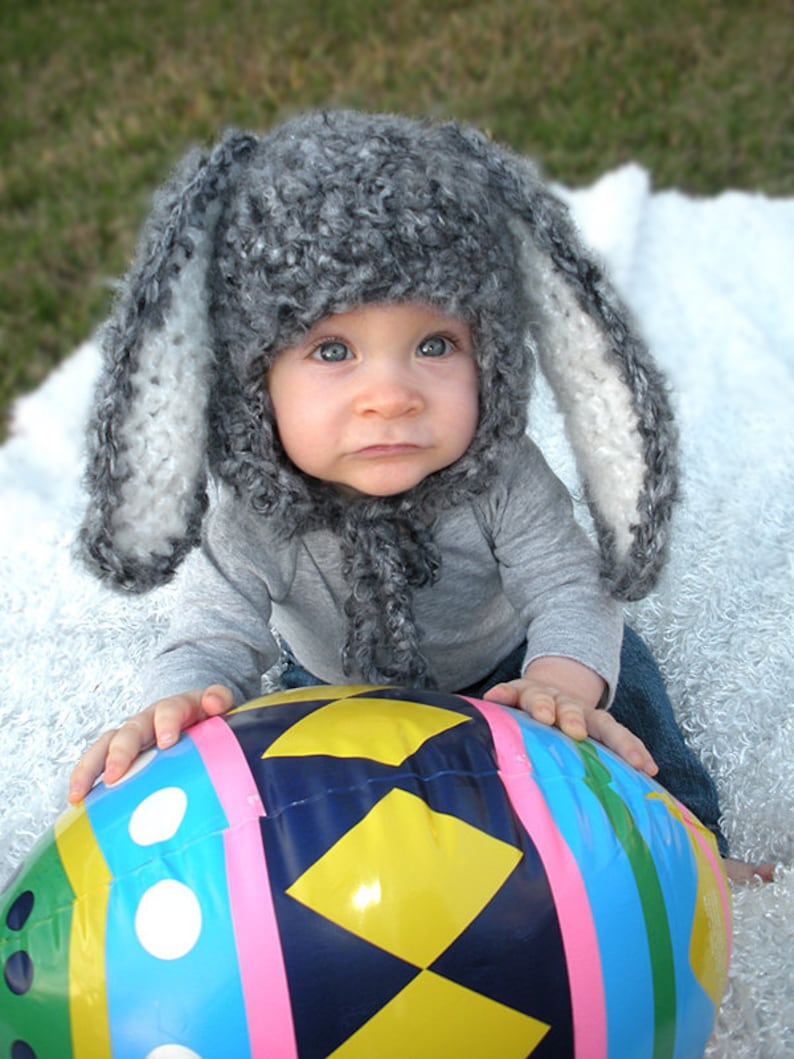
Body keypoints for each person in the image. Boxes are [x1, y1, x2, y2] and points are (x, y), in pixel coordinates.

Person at [68, 110, 770, 883]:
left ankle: (690, 847)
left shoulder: (503, 475)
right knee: (300, 797)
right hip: (337, 689)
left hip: (510, 666)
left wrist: (557, 685)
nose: (391, 395)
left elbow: (570, 585)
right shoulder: (255, 515)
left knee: (621, 703)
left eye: (435, 345)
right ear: (250, 380)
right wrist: (181, 705)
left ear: (491, 355)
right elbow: (211, 636)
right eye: (332, 350)